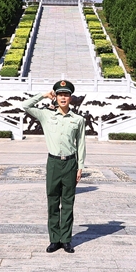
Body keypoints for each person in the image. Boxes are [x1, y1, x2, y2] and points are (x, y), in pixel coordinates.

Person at [24, 80, 86, 254]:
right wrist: (43, 95)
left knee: (68, 203)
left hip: (70, 163)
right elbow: (25, 106)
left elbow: (81, 144)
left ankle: (66, 240)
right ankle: (54, 239)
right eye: (60, 95)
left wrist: (80, 166)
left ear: (70, 98)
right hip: (53, 163)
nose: (63, 98)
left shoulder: (78, 119)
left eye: (66, 95)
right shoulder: (46, 115)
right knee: (52, 202)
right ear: (56, 97)